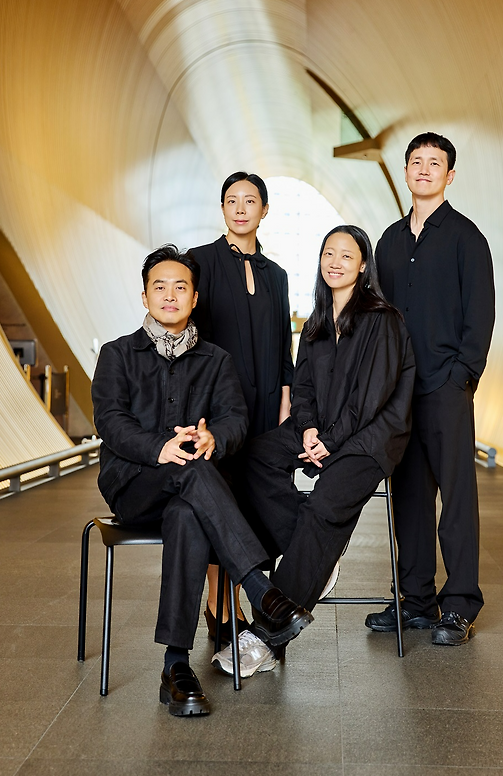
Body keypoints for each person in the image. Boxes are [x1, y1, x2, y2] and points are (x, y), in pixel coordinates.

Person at [91, 244, 312, 716]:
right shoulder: (117, 355)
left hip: (190, 493)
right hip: (133, 485)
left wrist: (215, 437)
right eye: (160, 287)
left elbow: (236, 417)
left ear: (195, 299)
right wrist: (159, 448)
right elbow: (109, 420)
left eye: (180, 288)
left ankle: (175, 667)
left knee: (189, 509)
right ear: (145, 296)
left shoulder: (216, 360)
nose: (170, 295)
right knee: (187, 472)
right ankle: (260, 589)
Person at [211, 225, 415, 677]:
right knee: (252, 458)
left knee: (325, 503)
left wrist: (330, 439)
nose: (335, 261)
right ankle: (319, 550)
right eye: (328, 252)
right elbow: (302, 388)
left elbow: (371, 399)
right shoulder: (316, 324)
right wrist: (306, 429)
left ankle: (265, 634)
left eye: (346, 254)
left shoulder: (382, 319)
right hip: (321, 430)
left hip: (369, 439)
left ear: (363, 265)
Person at [366, 131, 495, 645]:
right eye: (416, 161)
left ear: (449, 175)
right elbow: (377, 316)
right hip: (400, 392)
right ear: (405, 172)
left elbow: (480, 314)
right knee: (410, 497)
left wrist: (463, 374)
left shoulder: (467, 238)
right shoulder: (389, 242)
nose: (424, 169)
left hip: (446, 386)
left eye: (434, 163)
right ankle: (416, 601)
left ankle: (460, 605)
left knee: (457, 498)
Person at [189, 172, 294, 640]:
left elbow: (282, 342)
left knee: (259, 500)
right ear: (223, 209)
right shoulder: (201, 262)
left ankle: (249, 599)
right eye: (231, 200)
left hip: (268, 402)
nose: (239, 208)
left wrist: (287, 399)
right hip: (219, 406)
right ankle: (221, 605)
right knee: (222, 499)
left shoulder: (278, 275)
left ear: (264, 210)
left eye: (249, 201)